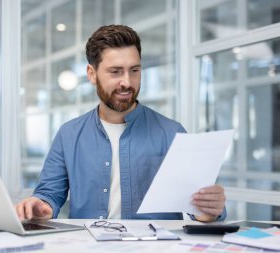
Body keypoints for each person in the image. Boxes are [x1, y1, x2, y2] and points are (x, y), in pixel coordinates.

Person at [16, 24, 226, 222]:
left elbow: (201, 209)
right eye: (115, 72)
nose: (127, 82)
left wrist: (209, 210)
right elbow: (49, 194)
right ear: (92, 74)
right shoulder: (68, 134)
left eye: (134, 70)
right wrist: (40, 205)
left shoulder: (172, 132)